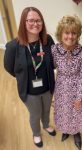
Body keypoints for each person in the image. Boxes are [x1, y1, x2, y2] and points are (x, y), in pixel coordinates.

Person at [4, 7, 56, 148]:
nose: (35, 23)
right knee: (35, 114)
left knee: (46, 110)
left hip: (47, 86)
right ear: (24, 22)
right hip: (29, 90)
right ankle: (36, 133)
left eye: (38, 20)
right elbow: (9, 68)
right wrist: (22, 76)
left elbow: (53, 62)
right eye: (31, 20)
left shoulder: (47, 40)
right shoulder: (13, 46)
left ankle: (46, 125)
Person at [51, 15, 82, 150]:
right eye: (67, 32)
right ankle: (66, 130)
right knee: (64, 111)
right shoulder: (54, 50)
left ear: (77, 35)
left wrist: (79, 96)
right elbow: (52, 67)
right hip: (60, 87)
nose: (70, 36)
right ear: (61, 33)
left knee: (76, 112)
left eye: (74, 33)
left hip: (76, 88)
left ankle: (76, 133)